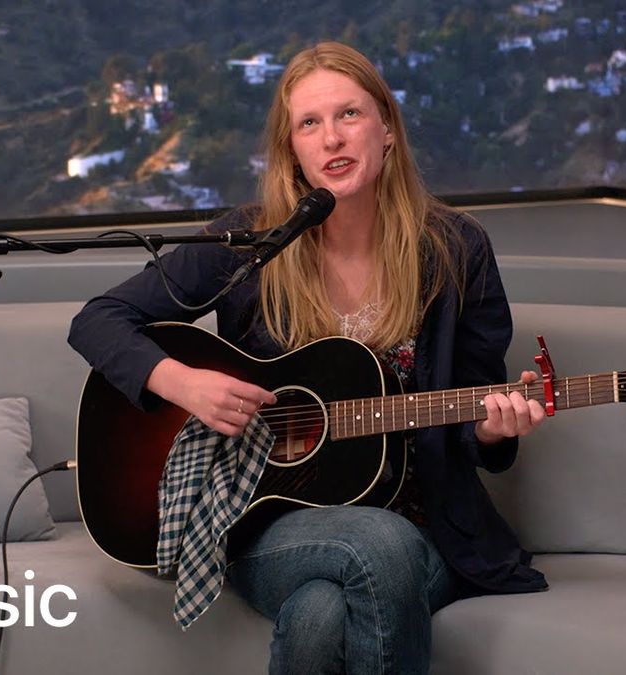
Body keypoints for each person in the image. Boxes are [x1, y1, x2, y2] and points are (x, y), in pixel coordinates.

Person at [68, 41, 547, 674]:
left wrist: (491, 430)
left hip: (423, 523)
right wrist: (183, 384)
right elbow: (98, 319)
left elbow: (475, 408)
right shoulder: (249, 244)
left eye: (349, 114)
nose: (331, 138)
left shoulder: (456, 248)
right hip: (268, 520)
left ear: (387, 130)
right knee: (378, 545)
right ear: (290, 148)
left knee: (321, 613)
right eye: (309, 123)